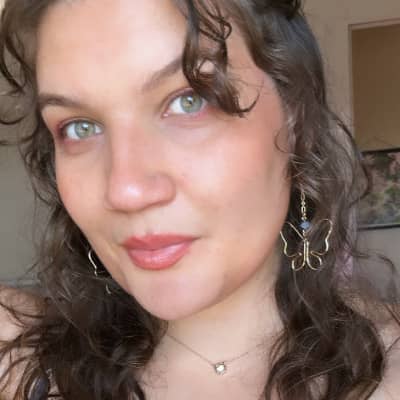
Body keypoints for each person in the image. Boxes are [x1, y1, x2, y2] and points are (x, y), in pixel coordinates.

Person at [0, 0, 399, 399]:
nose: (125, 191)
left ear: (294, 115)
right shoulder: (27, 371)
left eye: (189, 100)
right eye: (79, 127)